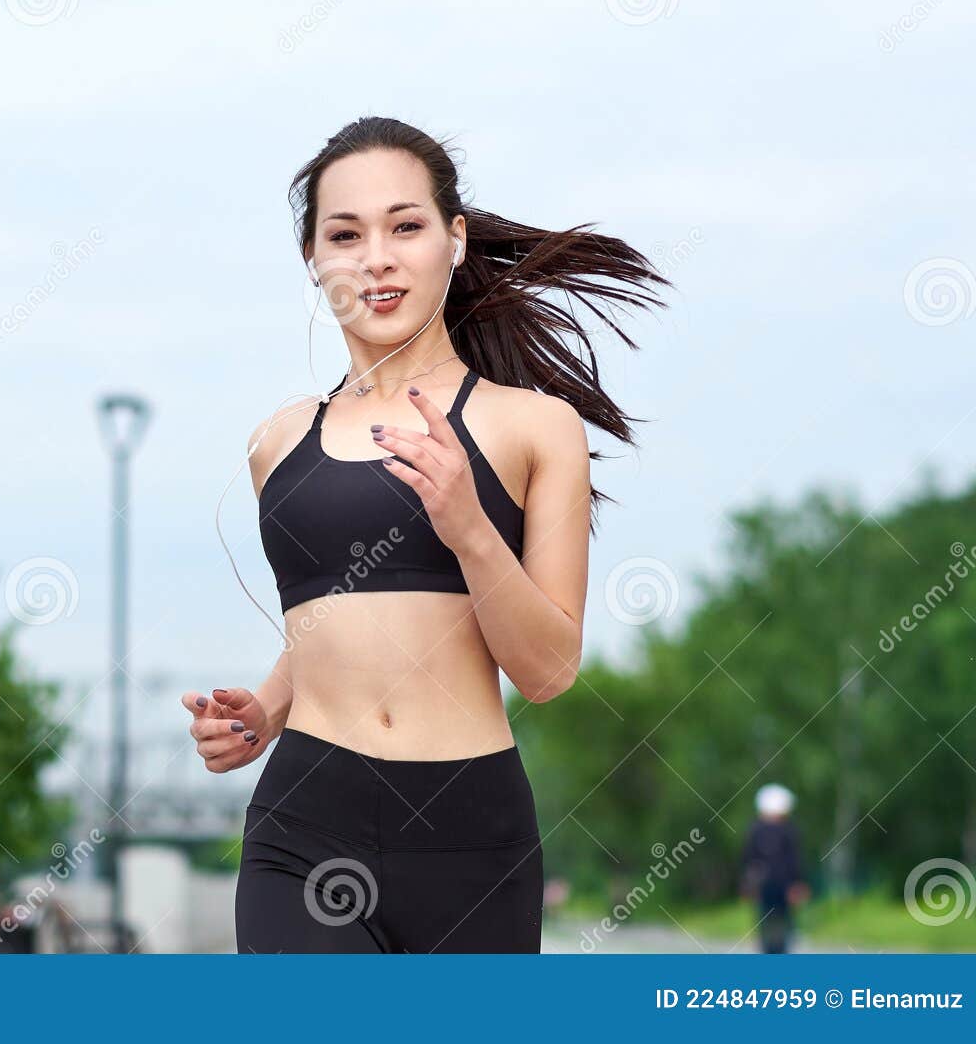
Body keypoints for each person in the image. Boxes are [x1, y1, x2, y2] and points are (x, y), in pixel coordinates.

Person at [183, 116, 671, 953]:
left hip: (471, 837)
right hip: (304, 822)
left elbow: (548, 670)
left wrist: (470, 527)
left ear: (453, 239)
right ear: (314, 260)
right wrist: (264, 709)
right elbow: (333, 621)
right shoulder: (277, 442)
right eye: (346, 233)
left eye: (405, 226)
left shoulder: (533, 427)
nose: (376, 256)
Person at [740, 783, 810, 953]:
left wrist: (748, 885)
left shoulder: (755, 830)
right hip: (779, 887)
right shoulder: (788, 830)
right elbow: (794, 861)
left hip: (768, 887)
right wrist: (797, 883)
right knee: (780, 926)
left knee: (769, 925)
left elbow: (748, 860)